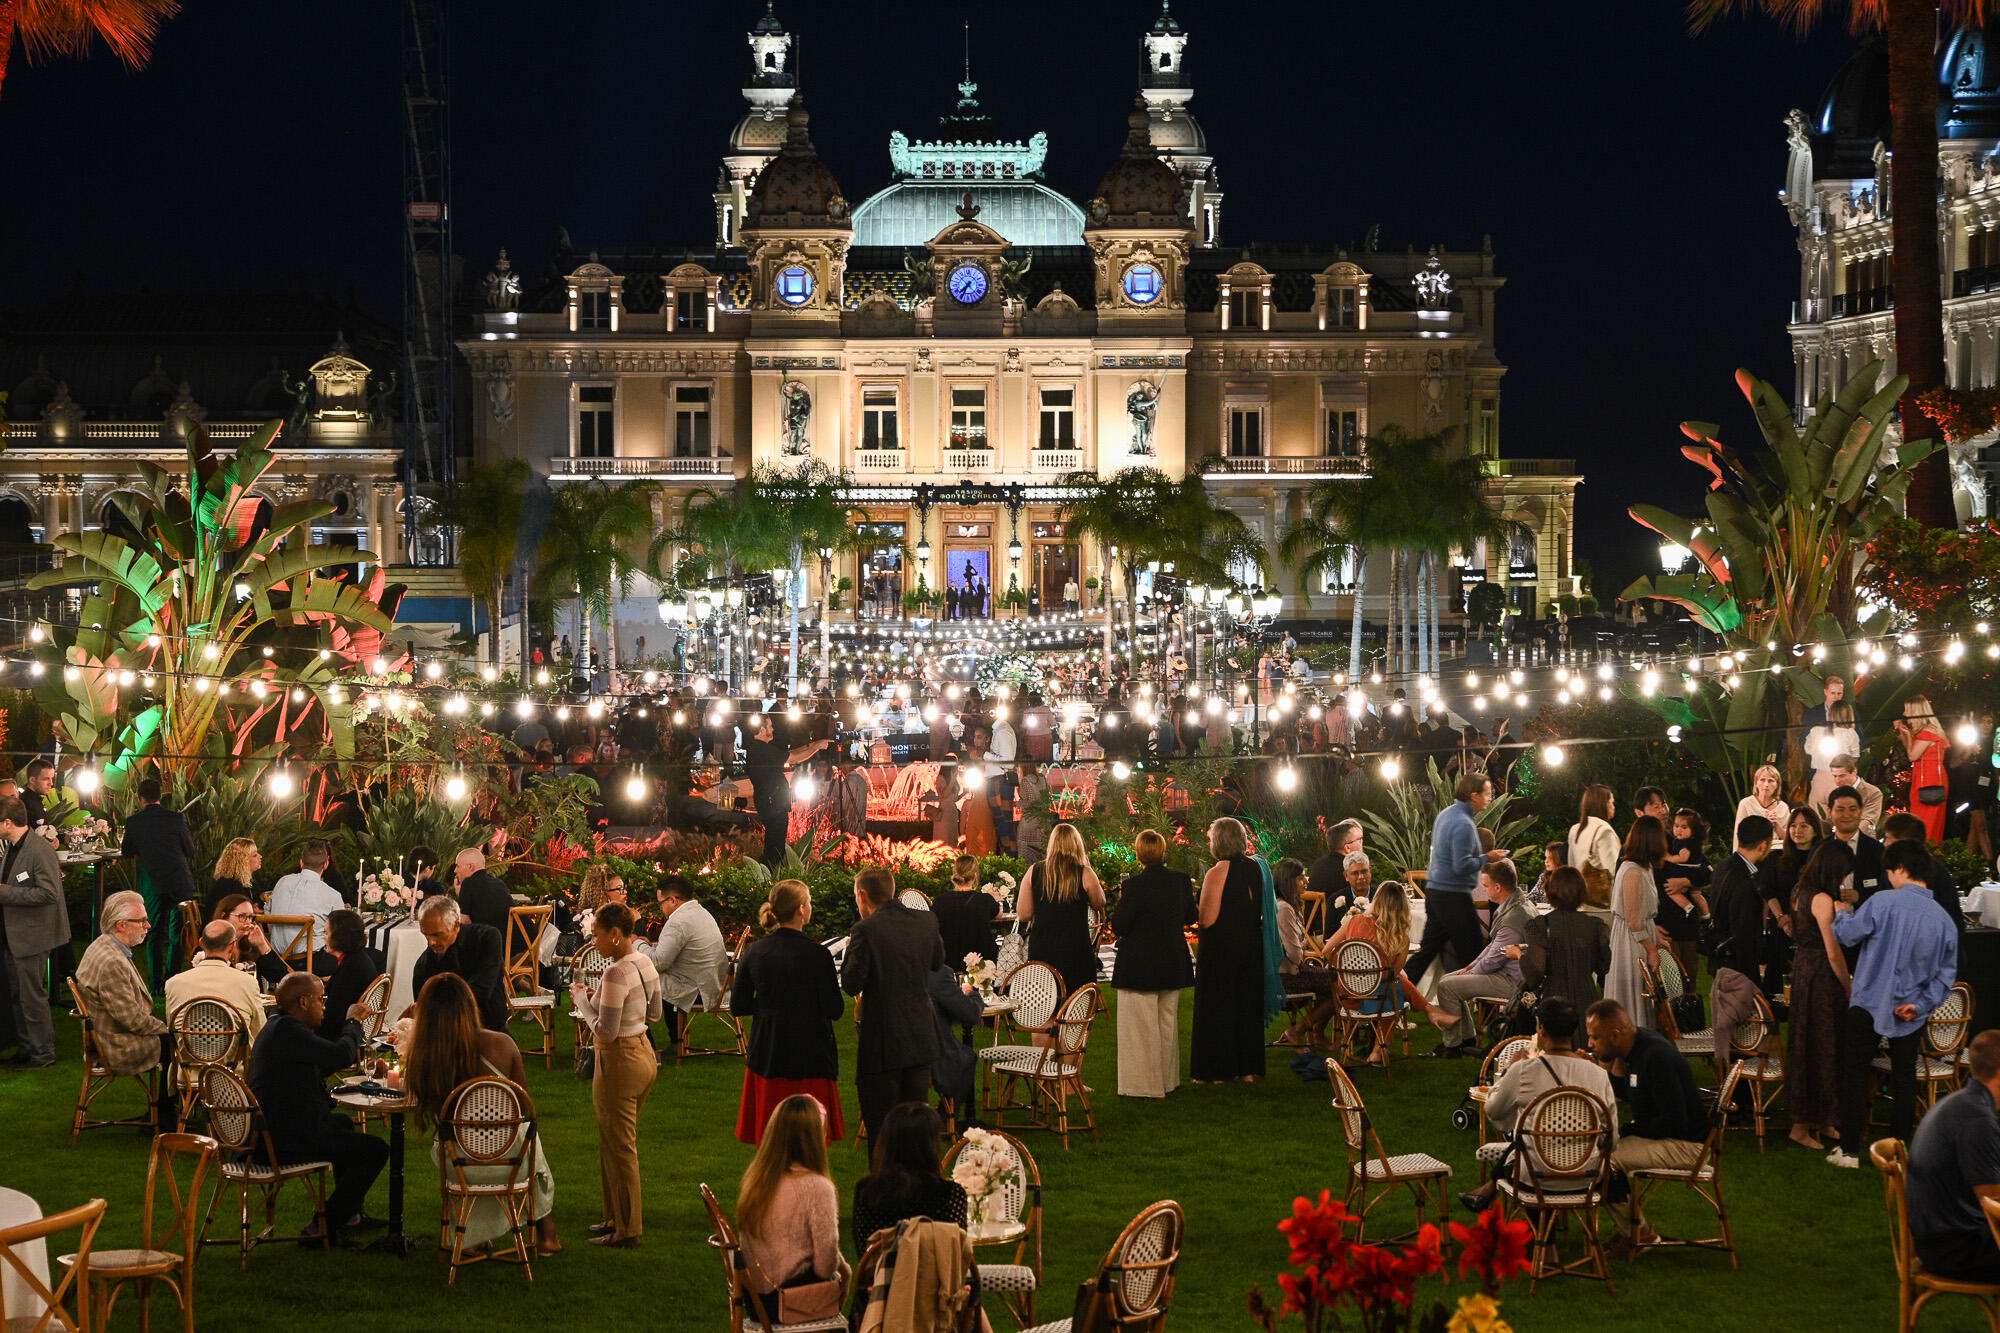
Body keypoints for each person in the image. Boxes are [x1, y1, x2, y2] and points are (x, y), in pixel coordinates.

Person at [405, 972, 559, 1257]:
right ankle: (545, 1232)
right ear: (470, 1006)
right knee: (527, 1137)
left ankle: (472, 1236)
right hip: (509, 1162)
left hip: (459, 1164)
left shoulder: (424, 1056)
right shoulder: (502, 1044)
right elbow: (523, 1109)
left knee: (522, 1139)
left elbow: (426, 1109)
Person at [1832, 841, 1958, 1168]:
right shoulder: (1944, 920)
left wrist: (1842, 914)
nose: (1888, 877)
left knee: (1856, 1073)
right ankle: (1897, 1150)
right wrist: (1919, 1004)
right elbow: (1945, 977)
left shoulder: (1882, 902)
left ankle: (1848, 1150)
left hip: (1868, 1001)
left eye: (1889, 870)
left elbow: (1848, 936)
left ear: (1900, 869)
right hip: (1911, 1010)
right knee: (1905, 1077)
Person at [250, 971, 389, 1244]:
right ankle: (325, 1224)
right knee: (375, 1150)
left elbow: (321, 1062)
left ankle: (351, 1215)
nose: (324, 1007)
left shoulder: (279, 1027)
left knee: (344, 1125)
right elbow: (340, 1054)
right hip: (283, 1139)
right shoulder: (288, 1032)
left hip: (274, 1128)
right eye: (320, 1000)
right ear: (303, 1002)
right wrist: (353, 1023)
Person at [1455, 998, 1616, 1213]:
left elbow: (1492, 1110)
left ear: (1541, 1029)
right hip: (1587, 1177)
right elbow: (1612, 1139)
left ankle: (1542, 1239)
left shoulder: (1522, 1070)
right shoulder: (1599, 1075)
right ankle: (1545, 1239)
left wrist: (1506, 1074)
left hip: (1535, 1177)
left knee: (1523, 1147)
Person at [572, 902, 661, 1247]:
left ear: (614, 934)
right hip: (643, 1053)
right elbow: (653, 1014)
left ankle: (628, 1229)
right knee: (612, 1139)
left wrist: (582, 1002)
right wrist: (602, 1001)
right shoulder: (644, 961)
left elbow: (605, 1032)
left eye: (596, 934)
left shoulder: (615, 973)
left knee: (621, 1145)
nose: (593, 941)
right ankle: (614, 1217)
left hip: (619, 1059)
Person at [733, 879, 846, 1144]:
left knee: (771, 1137)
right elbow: (834, 1008)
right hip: (811, 1054)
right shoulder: (817, 955)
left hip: (769, 1051)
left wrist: (770, 1007)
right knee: (811, 1138)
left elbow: (739, 1004)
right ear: (802, 910)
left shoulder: (756, 951)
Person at [1585, 997, 1705, 1244]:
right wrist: (1592, 1070)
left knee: (1602, 1160)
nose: (1590, 1043)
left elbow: (1674, 1121)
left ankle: (1639, 1232)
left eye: (1595, 1037)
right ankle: (1635, 1229)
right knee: (1597, 1151)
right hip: (1667, 1135)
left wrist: (1628, 1129)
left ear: (1615, 1035)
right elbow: (1632, 1091)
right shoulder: (1636, 1047)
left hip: (1688, 1145)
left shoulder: (1655, 1056)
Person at [840, 867, 945, 1141]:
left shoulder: (865, 929)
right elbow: (936, 961)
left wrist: (853, 947)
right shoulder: (926, 921)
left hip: (883, 1040)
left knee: (882, 1127)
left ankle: (884, 1180)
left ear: (862, 895)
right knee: (915, 1125)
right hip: (920, 1034)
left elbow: (851, 982)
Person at [737, 1096, 846, 1324]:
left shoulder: (757, 1179)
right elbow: (826, 1266)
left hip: (756, 1299)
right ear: (815, 1138)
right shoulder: (817, 1187)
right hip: (790, 1301)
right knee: (845, 1275)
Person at [1907, 1029, 2000, 1282]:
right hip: (1955, 1250)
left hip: (1937, 1236)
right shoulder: (1978, 1119)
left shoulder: (1960, 1102)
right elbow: (1993, 1203)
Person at [1111, 829, 1196, 1097]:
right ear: (1163, 851)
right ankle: (1168, 1079)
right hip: (1171, 957)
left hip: (1140, 961)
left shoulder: (1134, 885)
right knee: (1167, 1022)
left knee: (1139, 1025)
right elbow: (1190, 915)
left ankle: (1142, 1084)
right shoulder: (1180, 881)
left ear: (1139, 854)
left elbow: (1121, 924)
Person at [75, 892, 174, 1122]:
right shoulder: (112, 962)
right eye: (141, 921)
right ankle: (166, 1117)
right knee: (176, 1044)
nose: (148, 926)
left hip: (106, 1034)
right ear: (121, 925)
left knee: (172, 1040)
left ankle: (162, 1112)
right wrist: (167, 1028)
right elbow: (132, 1019)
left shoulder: (103, 944)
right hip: (115, 1044)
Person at [1191, 817, 1274, 1083]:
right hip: (1250, 945)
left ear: (1220, 840)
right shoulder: (1256, 868)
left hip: (1222, 949)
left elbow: (1208, 918)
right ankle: (1247, 1068)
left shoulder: (1217, 871)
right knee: (1246, 1005)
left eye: (1210, 836)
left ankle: (1220, 1069)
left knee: (1220, 1007)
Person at [1406, 772, 1507, 990]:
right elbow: (1460, 865)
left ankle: (1394, 994)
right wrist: (1488, 858)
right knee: (1474, 953)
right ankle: (1484, 1004)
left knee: (1427, 951)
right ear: (1474, 796)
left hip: (1436, 891)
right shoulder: (1463, 823)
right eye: (1487, 793)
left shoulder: (1446, 813)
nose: (1490, 797)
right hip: (1452, 895)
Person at [1786, 840, 1856, 1151]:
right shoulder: (1823, 899)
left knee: (1818, 1044)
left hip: (1804, 969)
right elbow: (1832, 951)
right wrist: (1848, 986)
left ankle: (1825, 1118)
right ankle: (1801, 1126)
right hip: (1821, 978)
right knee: (1818, 1046)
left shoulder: (1801, 891)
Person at [1425, 859, 1530, 1057]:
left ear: (1498, 887)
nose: (1484, 889)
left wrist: (1472, 971)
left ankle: (1453, 1046)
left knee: (1448, 986)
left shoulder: (1513, 918)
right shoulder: (1515, 904)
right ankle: (1466, 1038)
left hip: (1511, 981)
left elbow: (1494, 960)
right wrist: (1471, 966)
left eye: (1486, 886)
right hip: (1507, 972)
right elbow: (1493, 946)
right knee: (1448, 981)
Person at [0, 795, 68, 1069]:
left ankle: (43, 1054)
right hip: (15, 935)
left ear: (7, 822)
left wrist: (4, 893)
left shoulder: (38, 850)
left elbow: (49, 894)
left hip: (32, 936)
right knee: (19, 996)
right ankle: (27, 1049)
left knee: (32, 996)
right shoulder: (13, 846)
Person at [1706, 816, 1775, 1082]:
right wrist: (1754, 973)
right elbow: (1744, 931)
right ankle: (1740, 1094)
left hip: (1720, 960)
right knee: (1742, 1034)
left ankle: (1732, 1088)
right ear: (1763, 845)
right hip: (1736, 965)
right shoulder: (1746, 881)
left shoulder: (1725, 866)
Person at [849, 1101, 966, 1252]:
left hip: (880, 1275)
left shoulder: (866, 1190)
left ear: (886, 1141)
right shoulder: (951, 1193)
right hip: (937, 1274)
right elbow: (957, 1252)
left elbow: (863, 1251)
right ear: (931, 1145)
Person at [120, 776, 197, 989]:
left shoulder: (134, 822)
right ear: (160, 797)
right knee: (177, 932)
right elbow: (190, 850)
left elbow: (126, 851)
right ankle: (172, 978)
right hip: (179, 883)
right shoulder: (176, 818)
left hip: (152, 884)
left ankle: (155, 984)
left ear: (140, 798)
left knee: (153, 933)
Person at [1519, 866, 1609, 1030]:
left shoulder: (1540, 925)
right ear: (1582, 892)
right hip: (1587, 998)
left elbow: (1535, 973)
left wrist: (1519, 955)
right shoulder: (1595, 925)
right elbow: (1604, 965)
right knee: (1587, 1049)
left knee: (1556, 1047)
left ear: (1550, 891)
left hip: (1554, 1001)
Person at [1019, 823, 1106, 993]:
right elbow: (1100, 902)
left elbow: (1023, 914)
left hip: (1043, 946)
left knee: (1046, 1004)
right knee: (1078, 1003)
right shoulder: (1084, 873)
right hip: (1076, 947)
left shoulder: (1033, 871)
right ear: (1077, 844)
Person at [646, 875, 728, 1045]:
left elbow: (658, 963)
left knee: (647, 979)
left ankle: (662, 1042)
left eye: (660, 903)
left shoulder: (678, 921)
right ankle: (670, 1041)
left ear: (673, 900)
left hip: (699, 991)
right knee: (657, 980)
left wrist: (636, 943)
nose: (660, 907)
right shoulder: (701, 912)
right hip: (715, 984)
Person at [411, 896, 509, 1032]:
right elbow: (422, 1008)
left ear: (456, 925)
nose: (430, 942)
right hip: (445, 1035)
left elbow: (480, 992)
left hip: (489, 1028)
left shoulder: (486, 939)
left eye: (437, 935)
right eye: (425, 935)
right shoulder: (424, 965)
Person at [744, 712, 829, 868]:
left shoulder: (760, 748)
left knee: (775, 842)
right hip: (772, 804)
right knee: (775, 846)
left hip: (771, 802)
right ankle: (769, 875)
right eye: (770, 726)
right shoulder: (761, 750)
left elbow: (791, 754)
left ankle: (769, 873)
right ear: (762, 730)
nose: (773, 729)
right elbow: (793, 758)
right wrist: (816, 747)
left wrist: (812, 744)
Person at [1604, 815, 1664, 1029]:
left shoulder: (1644, 868)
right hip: (1631, 943)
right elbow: (1633, 920)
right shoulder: (1632, 871)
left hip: (1639, 936)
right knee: (1635, 992)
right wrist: (1651, 949)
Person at [164, 919, 266, 1038]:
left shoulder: (173, 984)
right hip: (236, 1056)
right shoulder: (248, 982)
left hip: (186, 1056)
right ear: (232, 946)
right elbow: (260, 1032)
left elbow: (171, 1031)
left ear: (201, 943)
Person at [1762, 807, 1822, 996]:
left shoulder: (1822, 859)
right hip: (1782, 927)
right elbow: (1767, 890)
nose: (1798, 830)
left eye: (1804, 825)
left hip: (1814, 929)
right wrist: (1781, 917)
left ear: (1815, 829)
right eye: (1793, 826)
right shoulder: (1776, 858)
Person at [1883, 811, 1970, 936]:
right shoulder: (1934, 868)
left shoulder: (1933, 872)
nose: (1885, 844)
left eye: (1888, 838)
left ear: (1903, 843)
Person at [1657, 808, 1712, 987]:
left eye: (1662, 805)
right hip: (1663, 925)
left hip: (1687, 927)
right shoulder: (1646, 845)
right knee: (1668, 985)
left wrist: (1685, 881)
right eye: (1655, 806)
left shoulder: (1682, 844)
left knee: (1688, 978)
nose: (1661, 810)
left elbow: (1707, 872)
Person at [267, 840, 343, 958]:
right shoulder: (332, 895)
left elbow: (268, 917)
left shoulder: (282, 882)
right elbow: (340, 934)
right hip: (310, 961)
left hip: (276, 959)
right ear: (326, 864)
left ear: (301, 863)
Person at [318, 910, 384, 1042]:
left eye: (326, 933)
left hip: (339, 1039)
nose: (323, 937)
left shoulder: (351, 968)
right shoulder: (357, 959)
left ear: (339, 937)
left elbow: (333, 1015)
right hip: (350, 1032)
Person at [1897, 697, 1952, 844]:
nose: (1904, 713)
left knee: (1924, 825)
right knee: (1929, 824)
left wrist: (1907, 735)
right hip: (1931, 780)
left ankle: (1923, 857)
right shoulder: (1928, 731)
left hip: (1928, 783)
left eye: (1907, 709)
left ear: (1916, 711)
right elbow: (1912, 749)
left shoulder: (1927, 733)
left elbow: (1912, 755)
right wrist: (1905, 733)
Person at [1826, 784, 1889, 902]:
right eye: (1840, 809)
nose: (1846, 815)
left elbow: (1886, 889)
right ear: (1830, 812)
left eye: (1852, 809)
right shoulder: (1820, 849)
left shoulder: (1876, 850)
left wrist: (1862, 896)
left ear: (1860, 811)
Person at [934, 855, 999, 966]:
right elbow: (999, 914)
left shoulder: (939, 901)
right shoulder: (985, 900)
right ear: (975, 875)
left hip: (948, 961)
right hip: (980, 963)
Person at [1566, 784, 1620, 910]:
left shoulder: (1575, 829)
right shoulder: (1604, 830)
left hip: (1580, 902)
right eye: (1611, 802)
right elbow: (1614, 869)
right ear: (1603, 804)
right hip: (1602, 905)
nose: (1613, 806)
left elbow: (1571, 866)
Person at [451, 848, 511, 937]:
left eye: (458, 866)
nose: (455, 870)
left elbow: (464, 923)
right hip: (526, 943)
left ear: (470, 867)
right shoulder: (498, 883)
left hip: (497, 946)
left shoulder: (468, 883)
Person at [1818, 759, 1885, 837]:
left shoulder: (1873, 792)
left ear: (1854, 772)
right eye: (1835, 776)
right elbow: (1831, 821)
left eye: (1842, 776)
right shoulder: (1833, 792)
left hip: (1863, 843)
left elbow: (1868, 822)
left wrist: (1843, 836)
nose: (1837, 781)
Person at [1732, 765, 1791, 853]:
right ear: (1756, 783)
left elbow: (1789, 839)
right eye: (1762, 780)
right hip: (1752, 852)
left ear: (1777, 785)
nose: (1766, 785)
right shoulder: (1746, 803)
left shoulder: (1783, 807)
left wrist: (1776, 824)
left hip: (1777, 854)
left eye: (1771, 781)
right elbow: (1739, 835)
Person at [205, 837, 262, 920]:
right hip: (222, 930)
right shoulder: (233, 885)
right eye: (255, 855)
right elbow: (239, 917)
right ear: (242, 861)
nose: (260, 856)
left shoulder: (234, 881)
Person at [1014, 763, 1050, 865]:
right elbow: (1046, 799)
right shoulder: (1042, 778)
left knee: (1026, 860)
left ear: (1022, 767)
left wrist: (1017, 798)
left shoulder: (1025, 780)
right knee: (1043, 859)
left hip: (1028, 827)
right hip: (1043, 824)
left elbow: (1028, 804)